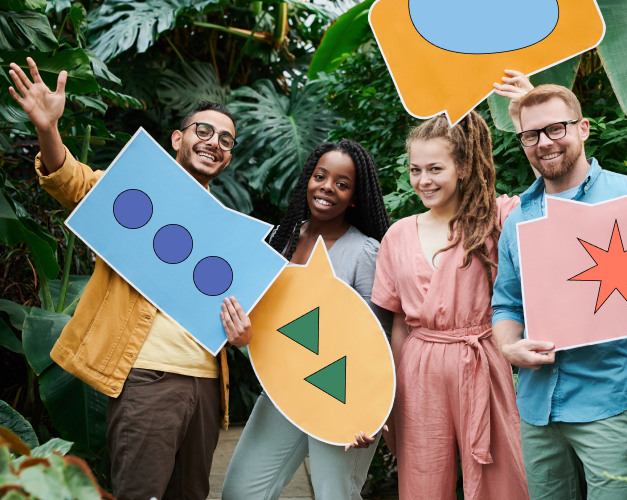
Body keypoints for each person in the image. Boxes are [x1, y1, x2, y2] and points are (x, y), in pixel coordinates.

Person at [8, 57, 252, 500]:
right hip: (147, 380)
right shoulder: (136, 193)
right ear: (178, 138)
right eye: (203, 131)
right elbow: (72, 183)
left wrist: (242, 333)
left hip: (207, 387)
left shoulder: (231, 231)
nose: (214, 142)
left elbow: (244, 312)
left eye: (226, 139)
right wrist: (47, 128)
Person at [491, 73, 627, 500]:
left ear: (582, 128)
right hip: (536, 408)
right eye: (531, 135)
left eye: (555, 128)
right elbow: (506, 305)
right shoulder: (517, 220)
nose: (545, 142)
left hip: (609, 402)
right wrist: (508, 348)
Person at [370, 111, 529, 500]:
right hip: (418, 365)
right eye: (415, 169)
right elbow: (399, 325)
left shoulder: (496, 219)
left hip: (483, 357)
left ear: (462, 166)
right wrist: (390, 396)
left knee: (501, 477)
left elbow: (549, 199)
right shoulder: (398, 234)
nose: (423, 180)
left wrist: (525, 110)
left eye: (435, 168)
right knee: (422, 478)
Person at [222, 139, 391, 500]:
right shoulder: (282, 243)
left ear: (354, 197)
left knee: (335, 495)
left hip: (343, 399)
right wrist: (245, 336)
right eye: (321, 176)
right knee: (240, 492)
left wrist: (370, 411)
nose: (328, 187)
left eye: (342, 184)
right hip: (284, 390)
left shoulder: (366, 253)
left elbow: (376, 344)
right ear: (308, 181)